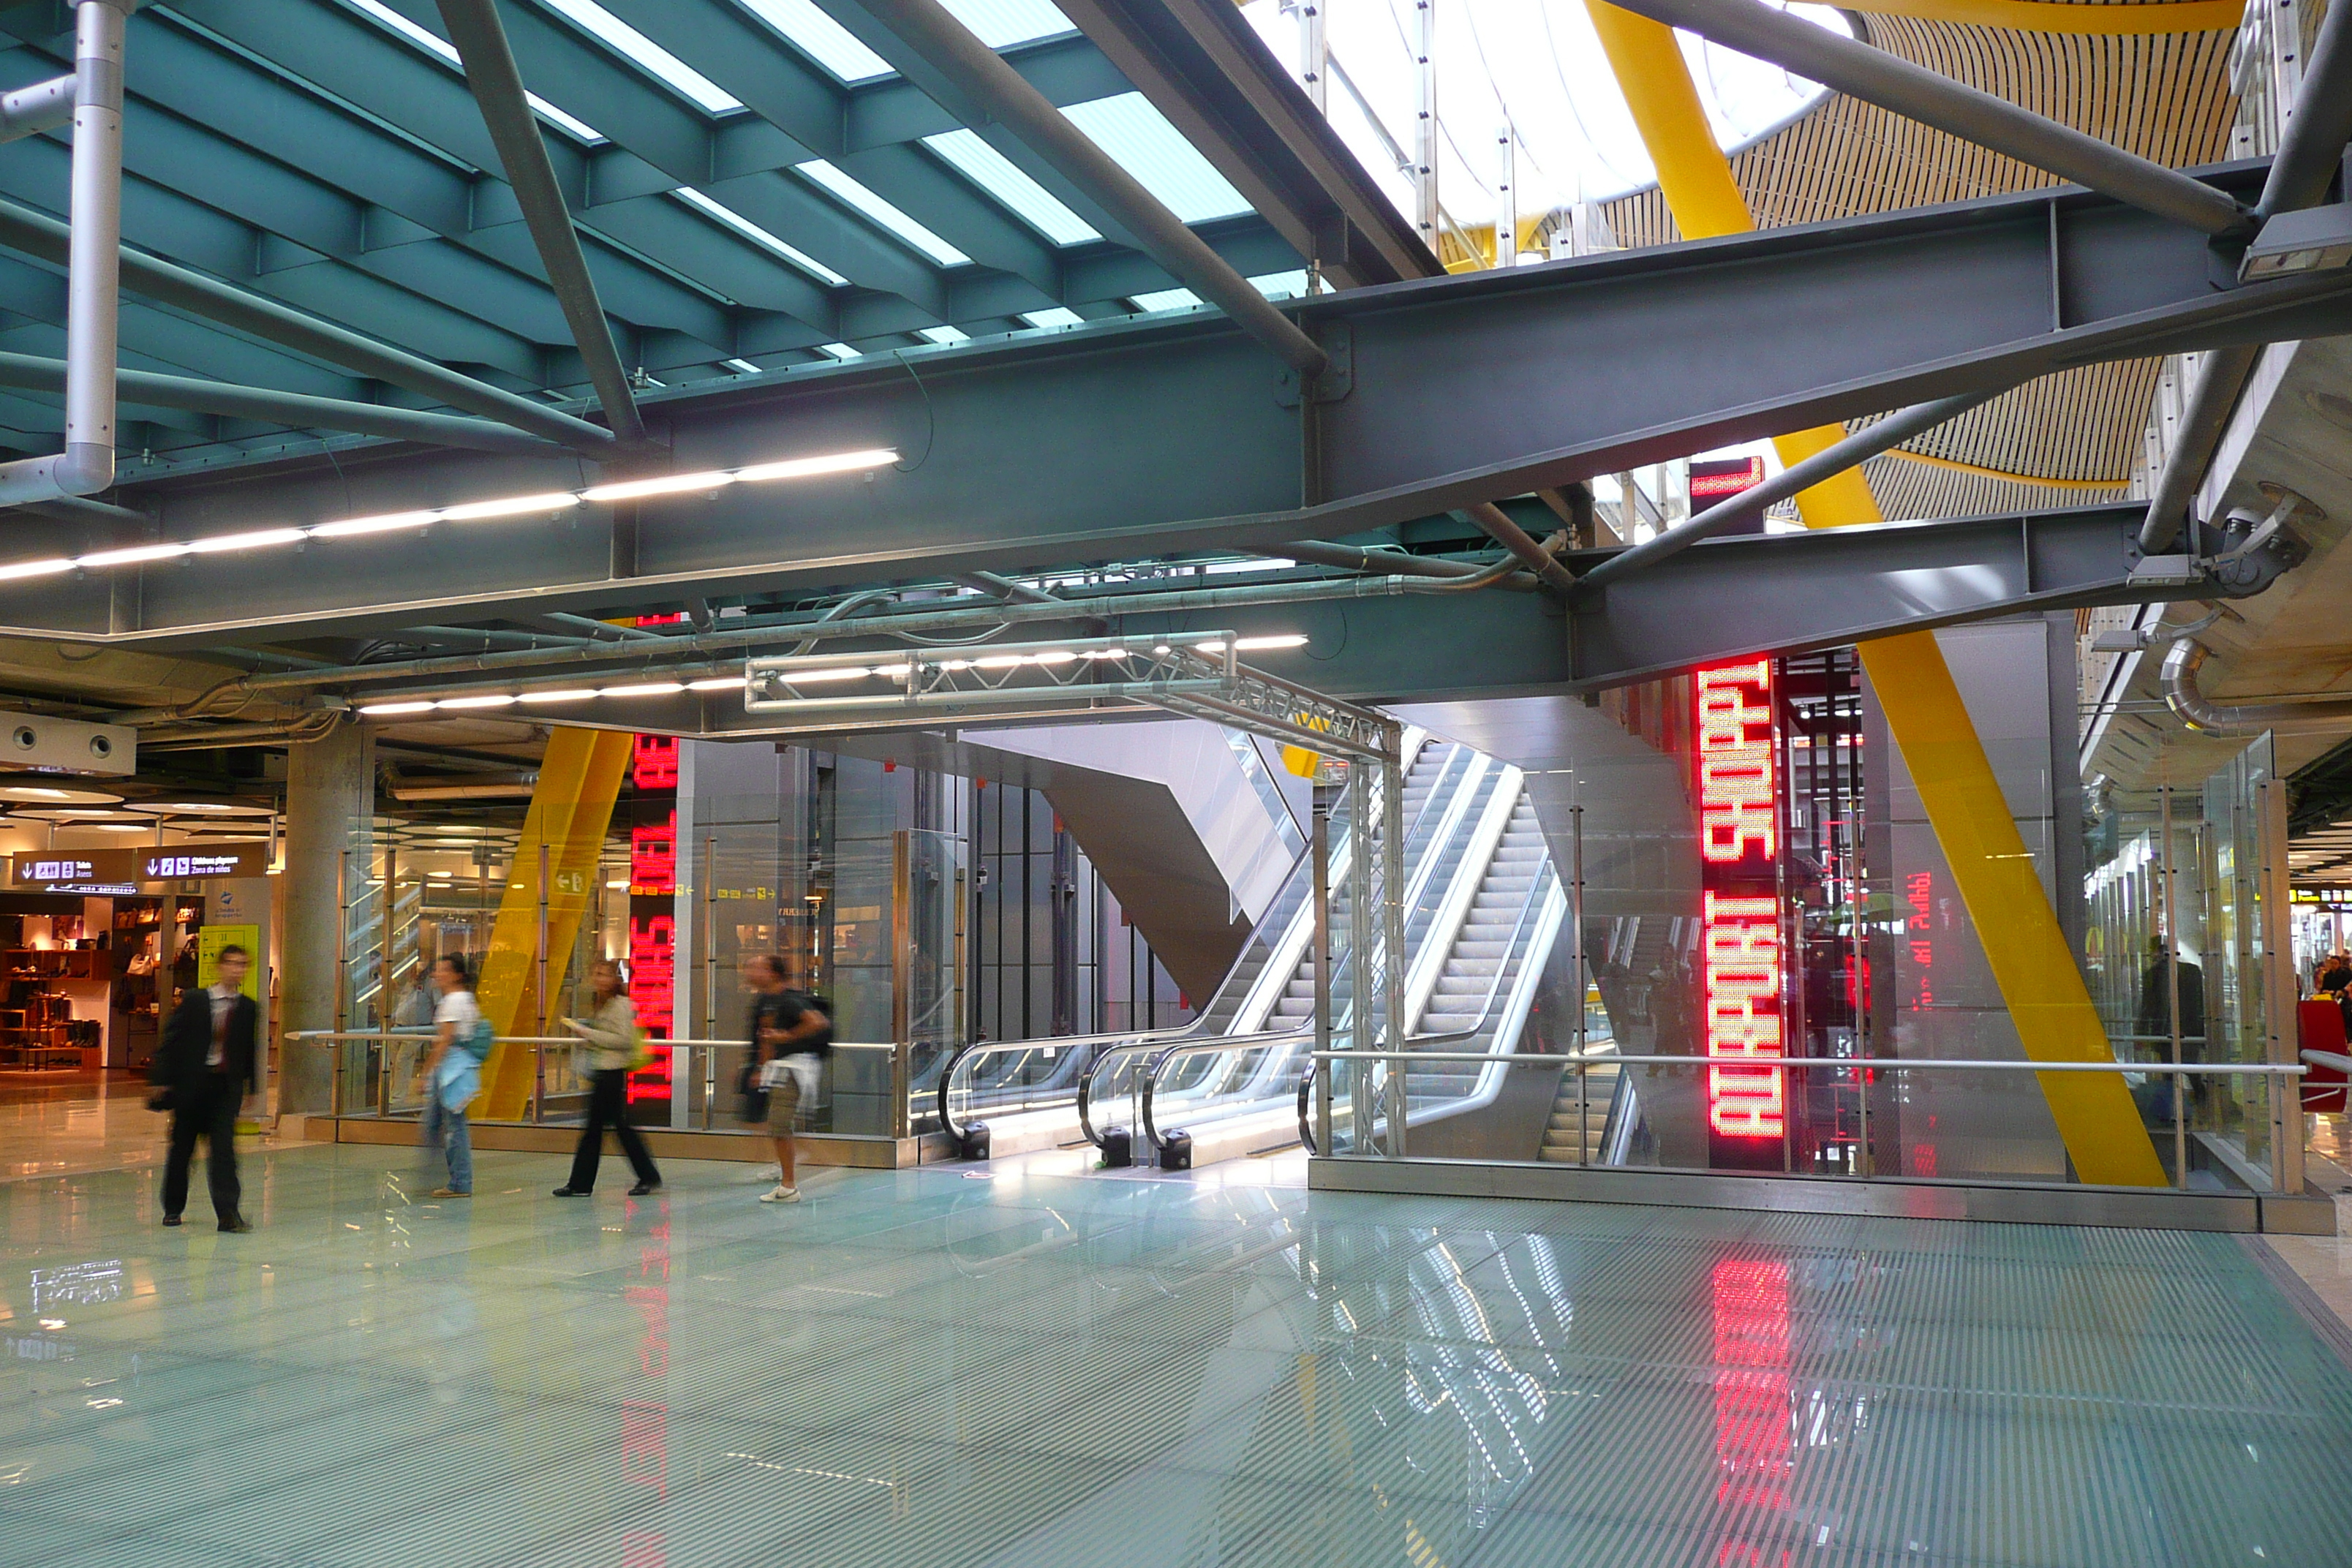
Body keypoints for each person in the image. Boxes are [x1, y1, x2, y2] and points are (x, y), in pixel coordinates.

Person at [154, 943, 257, 1232]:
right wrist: (161, 1079)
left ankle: (228, 1214)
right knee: (182, 1151)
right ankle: (173, 1208)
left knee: (224, 1152)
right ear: (221, 966)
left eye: (243, 965)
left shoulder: (247, 1007)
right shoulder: (196, 1000)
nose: (237, 970)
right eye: (233, 963)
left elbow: (249, 1050)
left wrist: (251, 1088)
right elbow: (171, 1040)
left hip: (224, 1089)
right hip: (192, 1088)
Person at [553, 958, 660, 1198]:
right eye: (597, 974)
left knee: (601, 1130)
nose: (600, 979)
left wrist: (588, 1033)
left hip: (612, 1074)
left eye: (605, 974)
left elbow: (623, 1039)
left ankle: (582, 1184)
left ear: (615, 979)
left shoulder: (621, 1005)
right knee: (615, 1129)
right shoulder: (602, 1003)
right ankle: (646, 1176)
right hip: (603, 1072)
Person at [743, 954, 830, 1205]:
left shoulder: (788, 999)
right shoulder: (769, 1001)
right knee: (778, 1127)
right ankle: (786, 1183)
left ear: (772, 973)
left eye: (757, 967)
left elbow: (817, 1022)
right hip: (780, 1070)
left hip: (792, 1071)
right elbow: (768, 1038)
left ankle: (789, 1185)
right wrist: (762, 1066)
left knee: (780, 1126)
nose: (750, 972)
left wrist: (787, 1036)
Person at [417, 954, 481, 1199]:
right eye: (436, 970)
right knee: (436, 1124)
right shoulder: (466, 999)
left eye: (443, 970)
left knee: (453, 1127)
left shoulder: (453, 1002)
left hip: (449, 1071)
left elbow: (444, 1041)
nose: (437, 974)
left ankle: (460, 1180)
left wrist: (426, 1072)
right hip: (459, 1069)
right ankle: (442, 1174)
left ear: (456, 975)